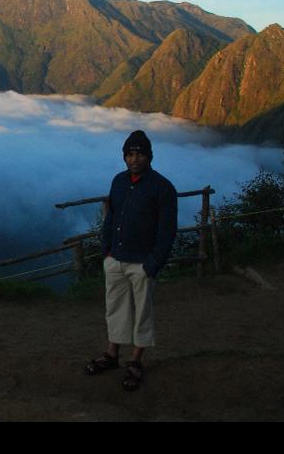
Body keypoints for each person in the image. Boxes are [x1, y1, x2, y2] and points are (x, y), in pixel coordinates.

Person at [84, 130, 177, 390]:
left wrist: (152, 264)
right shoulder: (119, 182)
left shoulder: (162, 188)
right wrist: (107, 253)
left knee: (141, 313)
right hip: (116, 258)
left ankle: (136, 361)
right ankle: (112, 354)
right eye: (130, 154)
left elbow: (167, 230)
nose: (134, 159)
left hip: (142, 263)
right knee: (115, 309)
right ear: (124, 157)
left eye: (139, 154)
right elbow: (111, 218)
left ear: (149, 156)